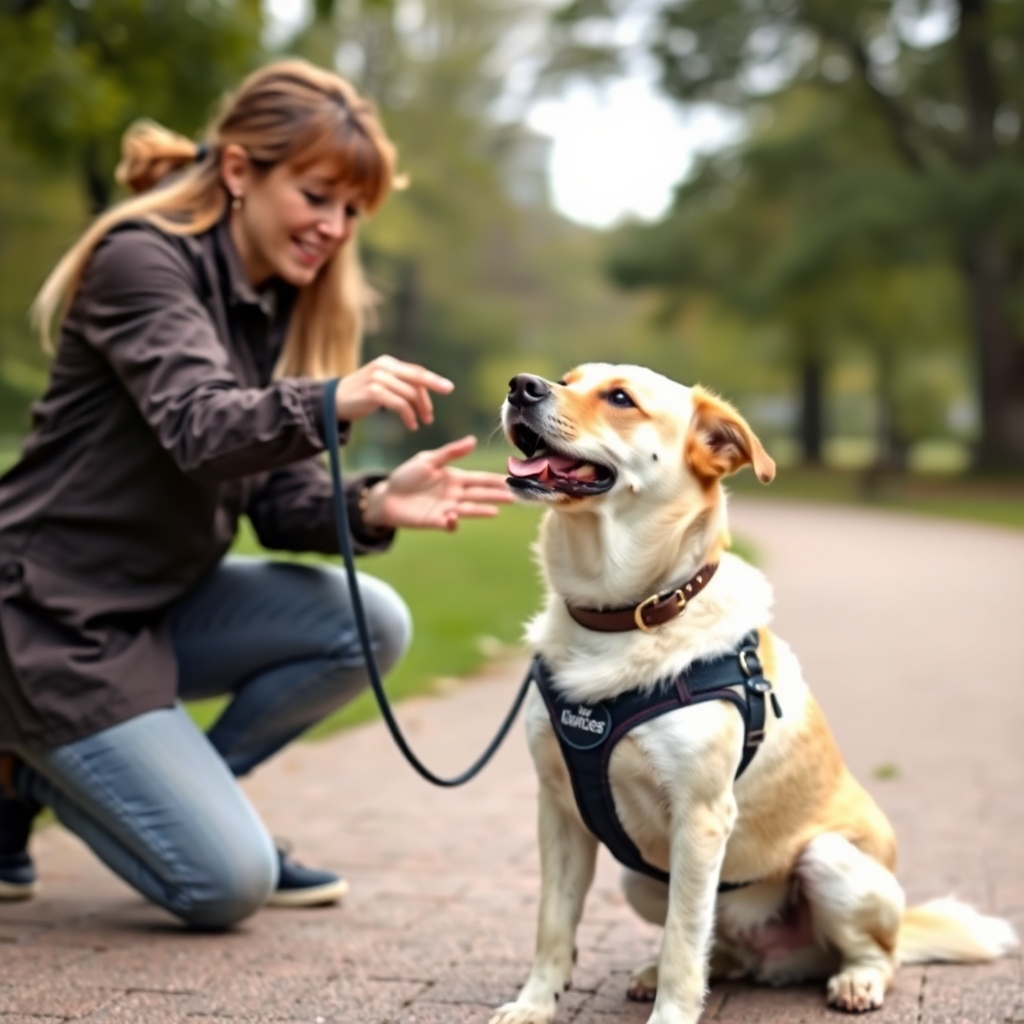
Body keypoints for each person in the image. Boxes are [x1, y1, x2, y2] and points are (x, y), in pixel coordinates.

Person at [0, 60, 513, 928]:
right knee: (224, 885)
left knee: (370, 619)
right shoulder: (142, 261)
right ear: (240, 171)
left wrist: (377, 502)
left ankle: (129, 790)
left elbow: (276, 503)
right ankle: (47, 769)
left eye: (351, 211)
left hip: (158, 606)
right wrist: (329, 398)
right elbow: (202, 427)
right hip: (49, 621)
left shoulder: (274, 303)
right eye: (318, 195)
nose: (334, 228)